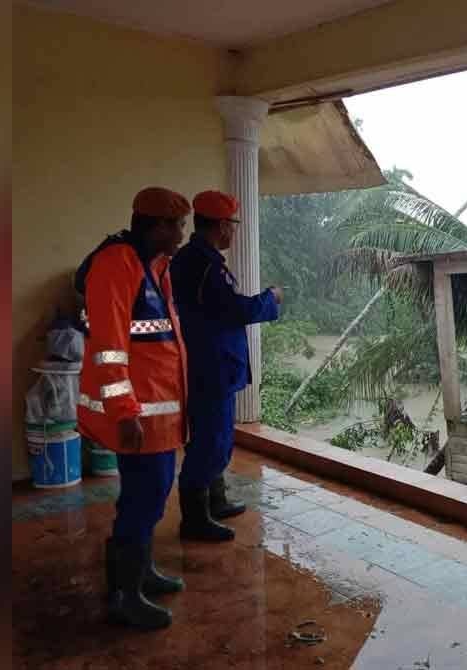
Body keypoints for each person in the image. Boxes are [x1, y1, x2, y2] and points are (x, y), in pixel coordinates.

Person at [74, 186, 190, 630]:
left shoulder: (154, 266)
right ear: (157, 226)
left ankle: (140, 572)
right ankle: (124, 594)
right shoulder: (116, 264)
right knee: (145, 497)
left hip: (158, 414)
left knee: (151, 495)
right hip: (137, 414)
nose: (182, 234)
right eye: (177, 226)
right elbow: (109, 348)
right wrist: (124, 410)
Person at [171, 190, 282, 542]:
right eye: (233, 225)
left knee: (214, 439)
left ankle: (214, 502)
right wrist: (270, 298)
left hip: (211, 364)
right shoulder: (203, 266)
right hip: (210, 367)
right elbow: (235, 310)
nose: (234, 232)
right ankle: (195, 518)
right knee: (210, 441)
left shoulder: (196, 261)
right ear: (221, 226)